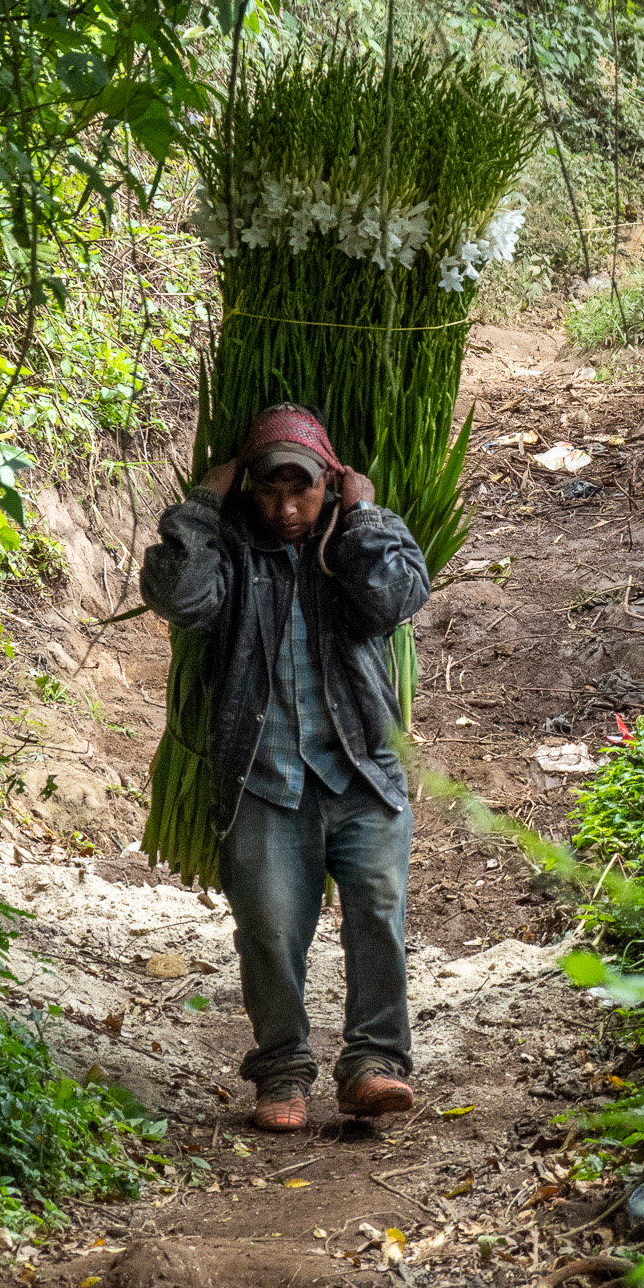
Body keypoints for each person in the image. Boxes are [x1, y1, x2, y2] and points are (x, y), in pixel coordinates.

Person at [141, 403, 430, 1133]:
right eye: (270, 489)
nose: (287, 506)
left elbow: (395, 599)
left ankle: (373, 1065)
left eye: (302, 488)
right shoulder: (232, 549)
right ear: (249, 488)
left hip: (362, 771)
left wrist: (361, 518)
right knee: (268, 928)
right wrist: (204, 504)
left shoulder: (363, 536)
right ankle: (282, 1071)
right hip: (263, 778)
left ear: (330, 484)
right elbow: (177, 597)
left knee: (377, 914)